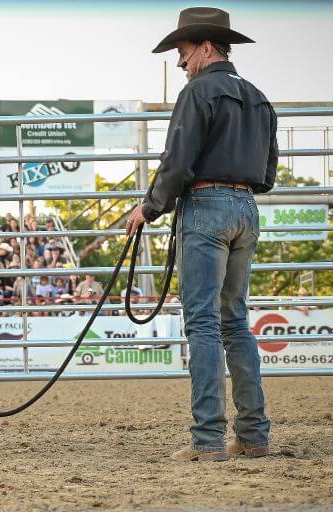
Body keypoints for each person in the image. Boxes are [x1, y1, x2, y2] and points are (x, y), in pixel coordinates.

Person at [126, 7, 276, 462]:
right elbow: (268, 172)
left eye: (183, 51)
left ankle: (207, 439)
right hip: (246, 209)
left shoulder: (197, 92)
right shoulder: (258, 97)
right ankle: (253, 435)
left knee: (204, 323)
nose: (180, 62)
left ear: (206, 47)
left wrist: (149, 207)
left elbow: (177, 162)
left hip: (206, 208)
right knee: (235, 320)